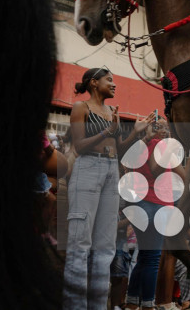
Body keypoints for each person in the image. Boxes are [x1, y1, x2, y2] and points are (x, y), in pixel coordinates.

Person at [63, 66, 148, 309]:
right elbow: (79, 145)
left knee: (105, 247)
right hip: (88, 168)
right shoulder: (82, 107)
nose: (114, 84)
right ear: (93, 83)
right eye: (109, 80)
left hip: (112, 170)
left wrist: (136, 134)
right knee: (79, 244)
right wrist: (106, 131)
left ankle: (98, 305)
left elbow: (119, 148)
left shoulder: (113, 111)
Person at [125, 112, 178, 310]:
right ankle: (148, 304)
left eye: (166, 128)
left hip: (140, 203)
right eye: (160, 127)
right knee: (153, 258)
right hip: (155, 204)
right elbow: (156, 170)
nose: (164, 131)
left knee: (145, 257)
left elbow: (181, 174)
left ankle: (131, 302)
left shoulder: (140, 146)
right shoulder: (160, 145)